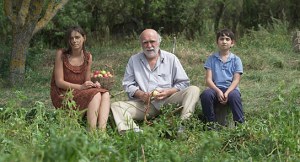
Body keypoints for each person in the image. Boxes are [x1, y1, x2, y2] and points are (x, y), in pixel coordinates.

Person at [111, 29, 200, 135]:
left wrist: (168, 92)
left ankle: (182, 126)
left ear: (159, 42)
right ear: (141, 44)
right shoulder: (134, 60)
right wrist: (141, 95)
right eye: (145, 42)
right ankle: (134, 133)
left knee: (193, 90)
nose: (149, 45)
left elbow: (184, 82)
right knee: (116, 105)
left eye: (152, 41)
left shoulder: (171, 58)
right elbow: (127, 84)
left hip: (168, 102)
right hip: (145, 105)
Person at [50, 26, 110, 134]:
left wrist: (92, 84)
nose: (74, 41)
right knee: (95, 95)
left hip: (79, 90)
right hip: (62, 93)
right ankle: (91, 132)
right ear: (68, 40)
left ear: (84, 38)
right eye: (71, 38)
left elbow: (86, 80)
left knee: (105, 94)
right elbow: (59, 82)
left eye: (77, 37)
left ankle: (101, 132)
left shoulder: (88, 57)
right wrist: (81, 87)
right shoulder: (61, 54)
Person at [200, 28, 245, 130]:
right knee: (206, 94)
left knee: (235, 97)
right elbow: (209, 80)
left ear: (232, 43)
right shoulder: (211, 59)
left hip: (231, 89)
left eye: (227, 39)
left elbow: (236, 80)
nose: (224, 41)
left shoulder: (236, 60)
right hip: (216, 89)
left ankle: (241, 127)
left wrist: (227, 92)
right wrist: (218, 91)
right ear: (217, 42)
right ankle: (211, 124)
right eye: (221, 39)